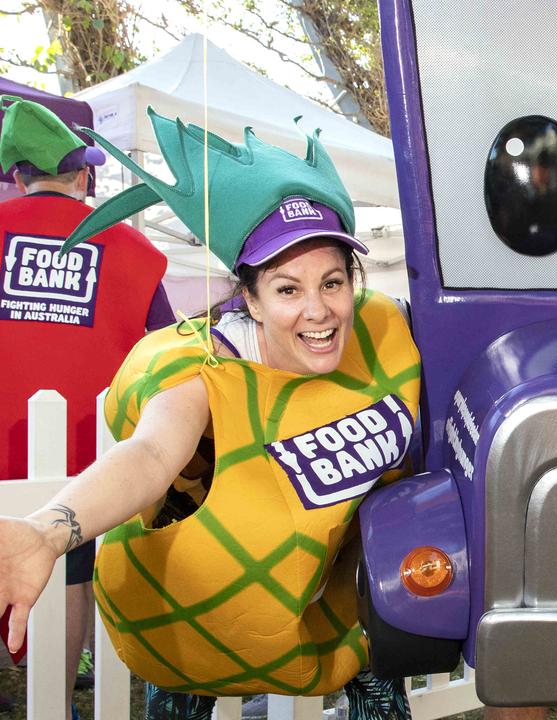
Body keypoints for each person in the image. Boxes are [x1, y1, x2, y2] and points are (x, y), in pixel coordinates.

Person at [0, 111, 420, 719]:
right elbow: (149, 454)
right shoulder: (205, 370)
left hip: (337, 603)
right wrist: (47, 530)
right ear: (248, 297)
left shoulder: (380, 342)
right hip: (194, 613)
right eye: (287, 289)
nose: (318, 310)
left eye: (332, 283)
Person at [0, 96, 174, 719]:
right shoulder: (134, 252)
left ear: (15, 175)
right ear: (82, 176)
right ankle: (55, 702)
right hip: (83, 463)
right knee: (68, 574)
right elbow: (166, 357)